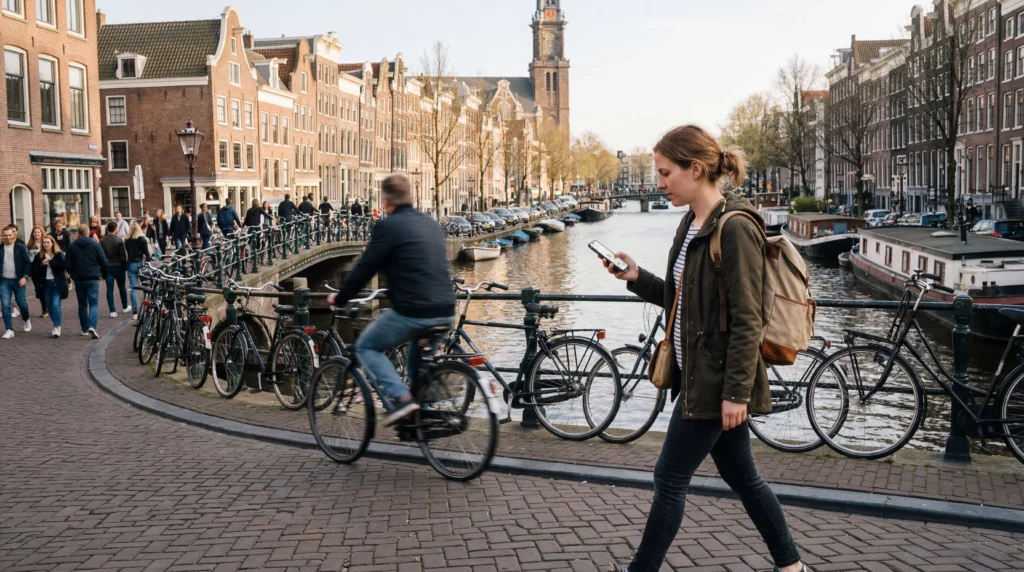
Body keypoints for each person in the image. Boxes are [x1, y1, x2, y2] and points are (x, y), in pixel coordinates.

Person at [602, 125, 804, 572]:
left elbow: (750, 317)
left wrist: (735, 392)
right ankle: (791, 567)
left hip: (713, 385)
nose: (658, 183)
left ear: (695, 169)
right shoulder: (691, 223)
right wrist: (637, 278)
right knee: (744, 477)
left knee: (669, 478)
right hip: (696, 377)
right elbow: (681, 298)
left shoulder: (735, 228)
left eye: (664, 172)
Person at [327, 174, 455, 427]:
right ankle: (422, 421)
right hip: (446, 309)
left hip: (414, 312)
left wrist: (340, 297)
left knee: (366, 347)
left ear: (385, 201)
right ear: (411, 197)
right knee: (415, 369)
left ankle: (404, 402)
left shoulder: (388, 227)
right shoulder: (430, 223)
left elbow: (365, 268)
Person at [65, 224, 108, 339]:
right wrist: (103, 274)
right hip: (93, 277)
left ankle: (84, 329)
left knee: (82, 304)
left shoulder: (72, 247)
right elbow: (104, 261)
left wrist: (74, 275)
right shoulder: (95, 245)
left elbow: (67, 265)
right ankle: (92, 326)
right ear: (89, 233)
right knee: (93, 303)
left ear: (77, 234)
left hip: (79, 279)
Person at [31, 235, 68, 338]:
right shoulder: (39, 256)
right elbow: (34, 271)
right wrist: (42, 265)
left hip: (56, 284)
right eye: (44, 242)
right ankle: (56, 324)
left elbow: (62, 268)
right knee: (50, 307)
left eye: (48, 242)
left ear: (52, 243)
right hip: (45, 284)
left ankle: (57, 327)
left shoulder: (58, 254)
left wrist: (51, 261)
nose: (46, 244)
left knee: (56, 305)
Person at [0, 225, 32, 339]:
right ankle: (9, 329)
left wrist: (25, 277)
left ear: (13, 235)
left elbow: (27, 263)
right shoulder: (0, 248)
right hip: (4, 281)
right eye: (5, 235)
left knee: (22, 303)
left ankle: (26, 319)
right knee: (5, 305)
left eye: (9, 235)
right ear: (2, 236)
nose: (8, 237)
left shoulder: (20, 247)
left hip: (18, 280)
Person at [100, 221, 130, 318]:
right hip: (119, 267)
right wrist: (125, 267)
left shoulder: (102, 241)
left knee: (109, 289)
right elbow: (123, 256)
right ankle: (124, 307)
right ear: (116, 228)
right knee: (122, 287)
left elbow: (101, 256)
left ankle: (112, 311)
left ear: (108, 229)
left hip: (108, 267)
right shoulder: (119, 240)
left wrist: (102, 269)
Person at [124, 221, 151, 321]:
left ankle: (135, 313)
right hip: (141, 264)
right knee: (145, 288)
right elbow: (147, 253)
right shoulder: (142, 239)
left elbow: (128, 254)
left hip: (131, 265)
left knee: (133, 289)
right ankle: (146, 309)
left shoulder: (127, 241)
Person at [27, 226, 48, 319]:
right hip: (34, 270)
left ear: (41, 233)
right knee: (39, 290)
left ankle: (47, 308)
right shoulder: (29, 245)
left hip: (44, 269)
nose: (37, 234)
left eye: (38, 232)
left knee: (46, 289)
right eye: (35, 232)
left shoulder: (45, 243)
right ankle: (45, 309)